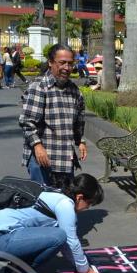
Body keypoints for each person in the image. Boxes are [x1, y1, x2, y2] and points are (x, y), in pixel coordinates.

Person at [0, 173, 103, 273]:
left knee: (57, 236)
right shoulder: (65, 204)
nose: (87, 208)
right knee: (59, 237)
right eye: (89, 203)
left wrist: (79, 267)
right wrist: (84, 269)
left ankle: (16, 268)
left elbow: (66, 245)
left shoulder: (57, 193)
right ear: (80, 197)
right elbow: (69, 240)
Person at [20, 44, 87, 188]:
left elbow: (79, 122)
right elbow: (27, 122)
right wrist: (37, 146)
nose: (67, 68)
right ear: (50, 62)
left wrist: (80, 141)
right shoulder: (39, 87)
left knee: (63, 200)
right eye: (62, 63)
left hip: (65, 157)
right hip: (43, 158)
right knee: (42, 201)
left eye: (70, 63)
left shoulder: (75, 91)